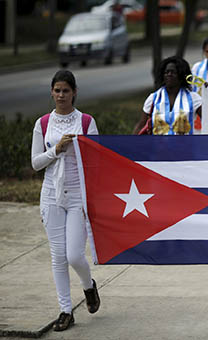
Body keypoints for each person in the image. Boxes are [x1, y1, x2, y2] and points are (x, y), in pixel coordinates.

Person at [31, 70, 100, 332]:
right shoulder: (43, 123)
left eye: (66, 91)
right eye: (57, 90)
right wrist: (55, 150)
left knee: (73, 255)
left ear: (74, 93)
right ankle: (65, 310)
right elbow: (36, 163)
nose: (61, 95)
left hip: (78, 197)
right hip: (51, 195)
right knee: (57, 257)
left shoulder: (86, 121)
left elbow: (97, 161)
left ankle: (88, 285)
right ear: (52, 92)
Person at [133, 56, 202, 135]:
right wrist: (131, 144)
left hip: (185, 146)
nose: (169, 75)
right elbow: (141, 125)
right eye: (166, 72)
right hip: (159, 147)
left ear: (181, 75)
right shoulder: (153, 98)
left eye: (173, 72)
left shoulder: (193, 98)